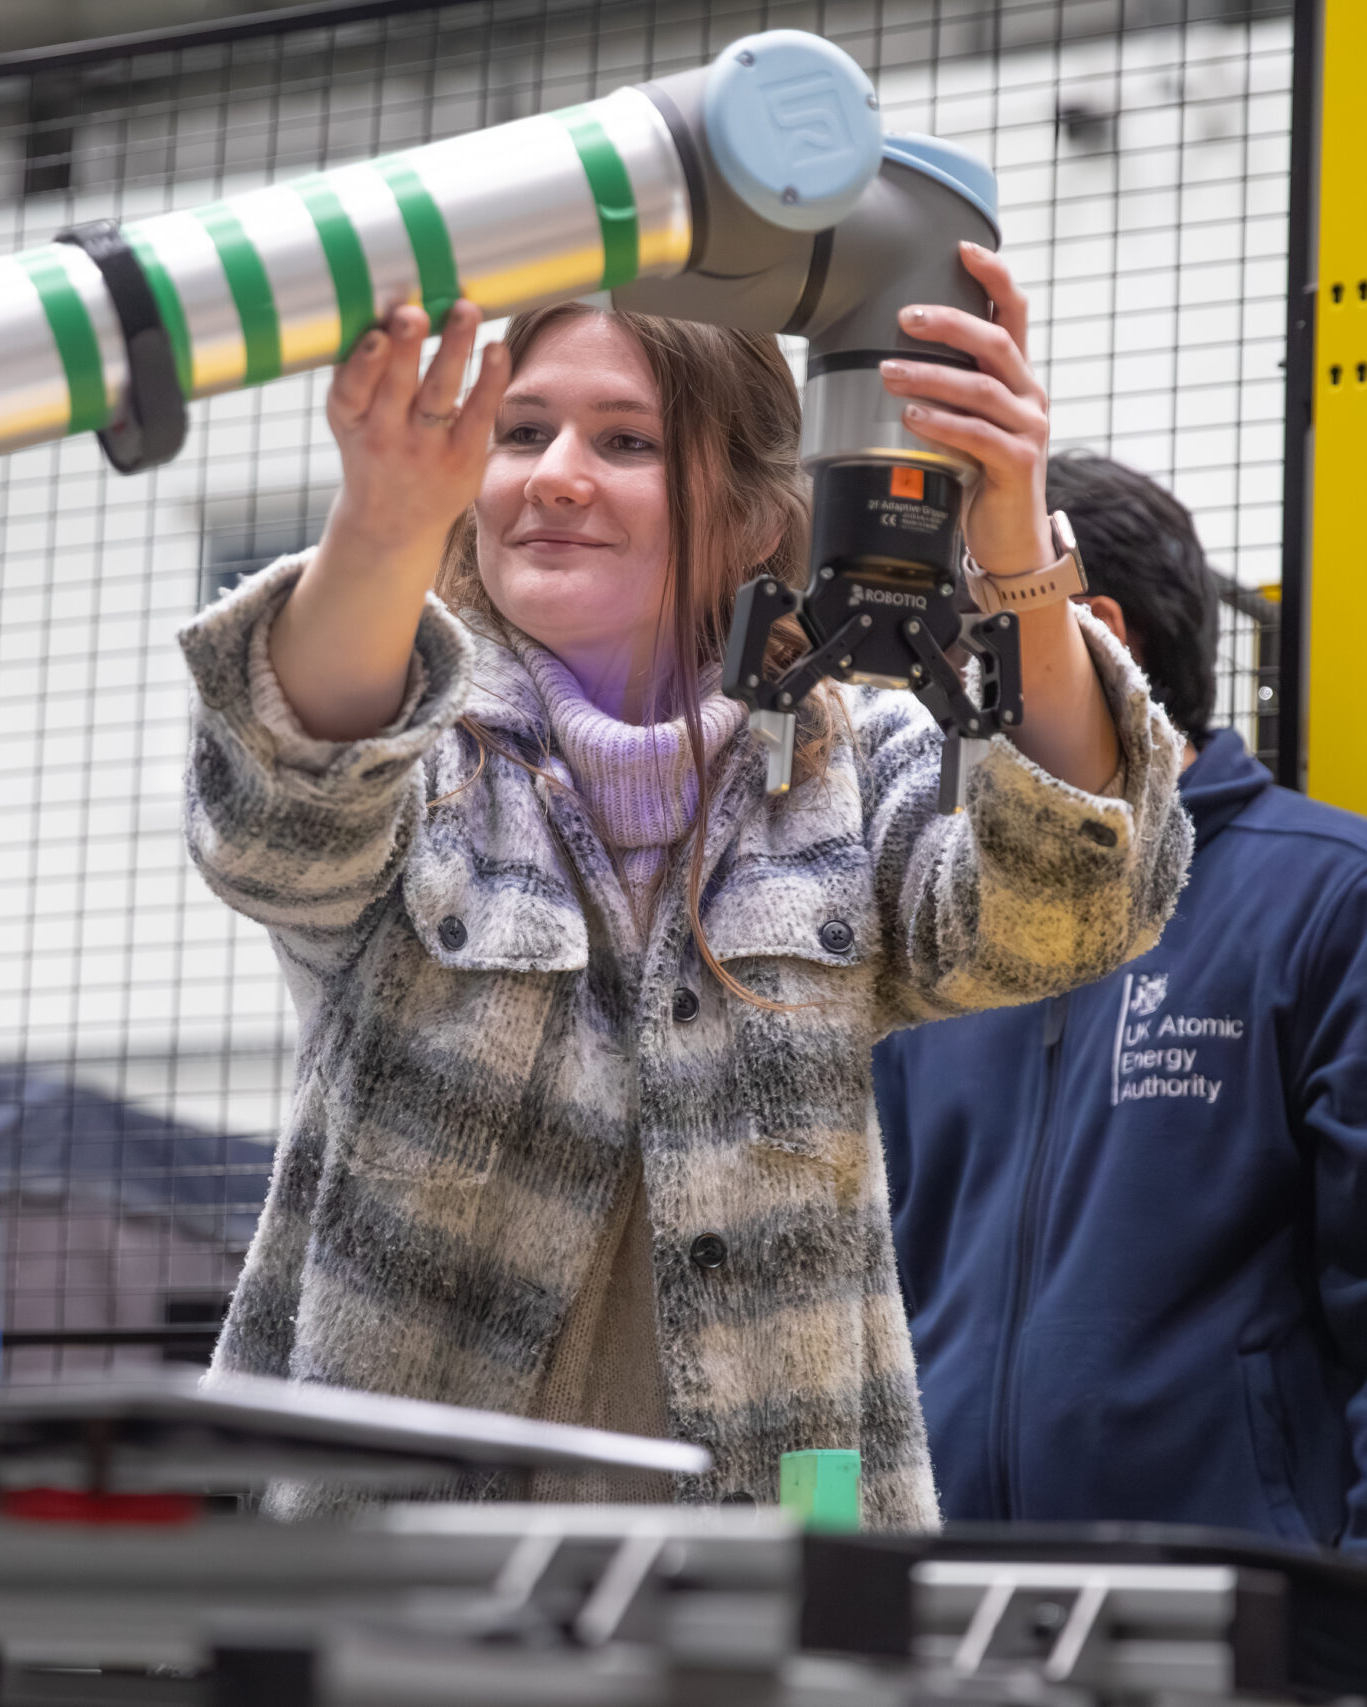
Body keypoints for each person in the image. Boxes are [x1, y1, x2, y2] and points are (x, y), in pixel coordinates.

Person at [180, 248, 1192, 1518]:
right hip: (401, 1579)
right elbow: (279, 824)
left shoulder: (845, 767)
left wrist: (1016, 562)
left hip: (778, 1568)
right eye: (520, 433)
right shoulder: (422, 759)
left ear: (760, 515)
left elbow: (1069, 912)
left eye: (627, 442)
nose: (554, 475)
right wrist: (381, 523)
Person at [871, 452, 1367, 1568]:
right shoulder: (937, 933)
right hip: (940, 1621)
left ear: (1090, 633)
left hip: (1245, 1632)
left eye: (954, 632)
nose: (920, 680)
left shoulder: (1349, 904)